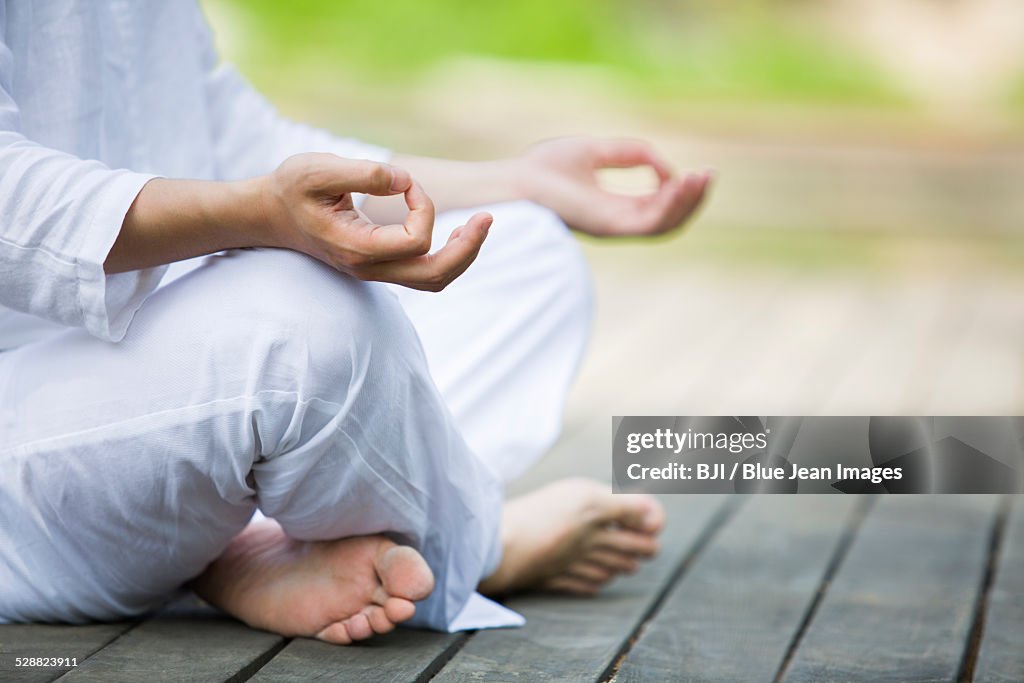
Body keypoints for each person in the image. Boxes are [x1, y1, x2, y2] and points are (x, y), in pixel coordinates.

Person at [0, 1, 711, 644]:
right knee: (302, 319)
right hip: (22, 435)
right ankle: (475, 547)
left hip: (145, 382)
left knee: (527, 251)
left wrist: (522, 180)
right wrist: (261, 216)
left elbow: (238, 140)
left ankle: (246, 546)